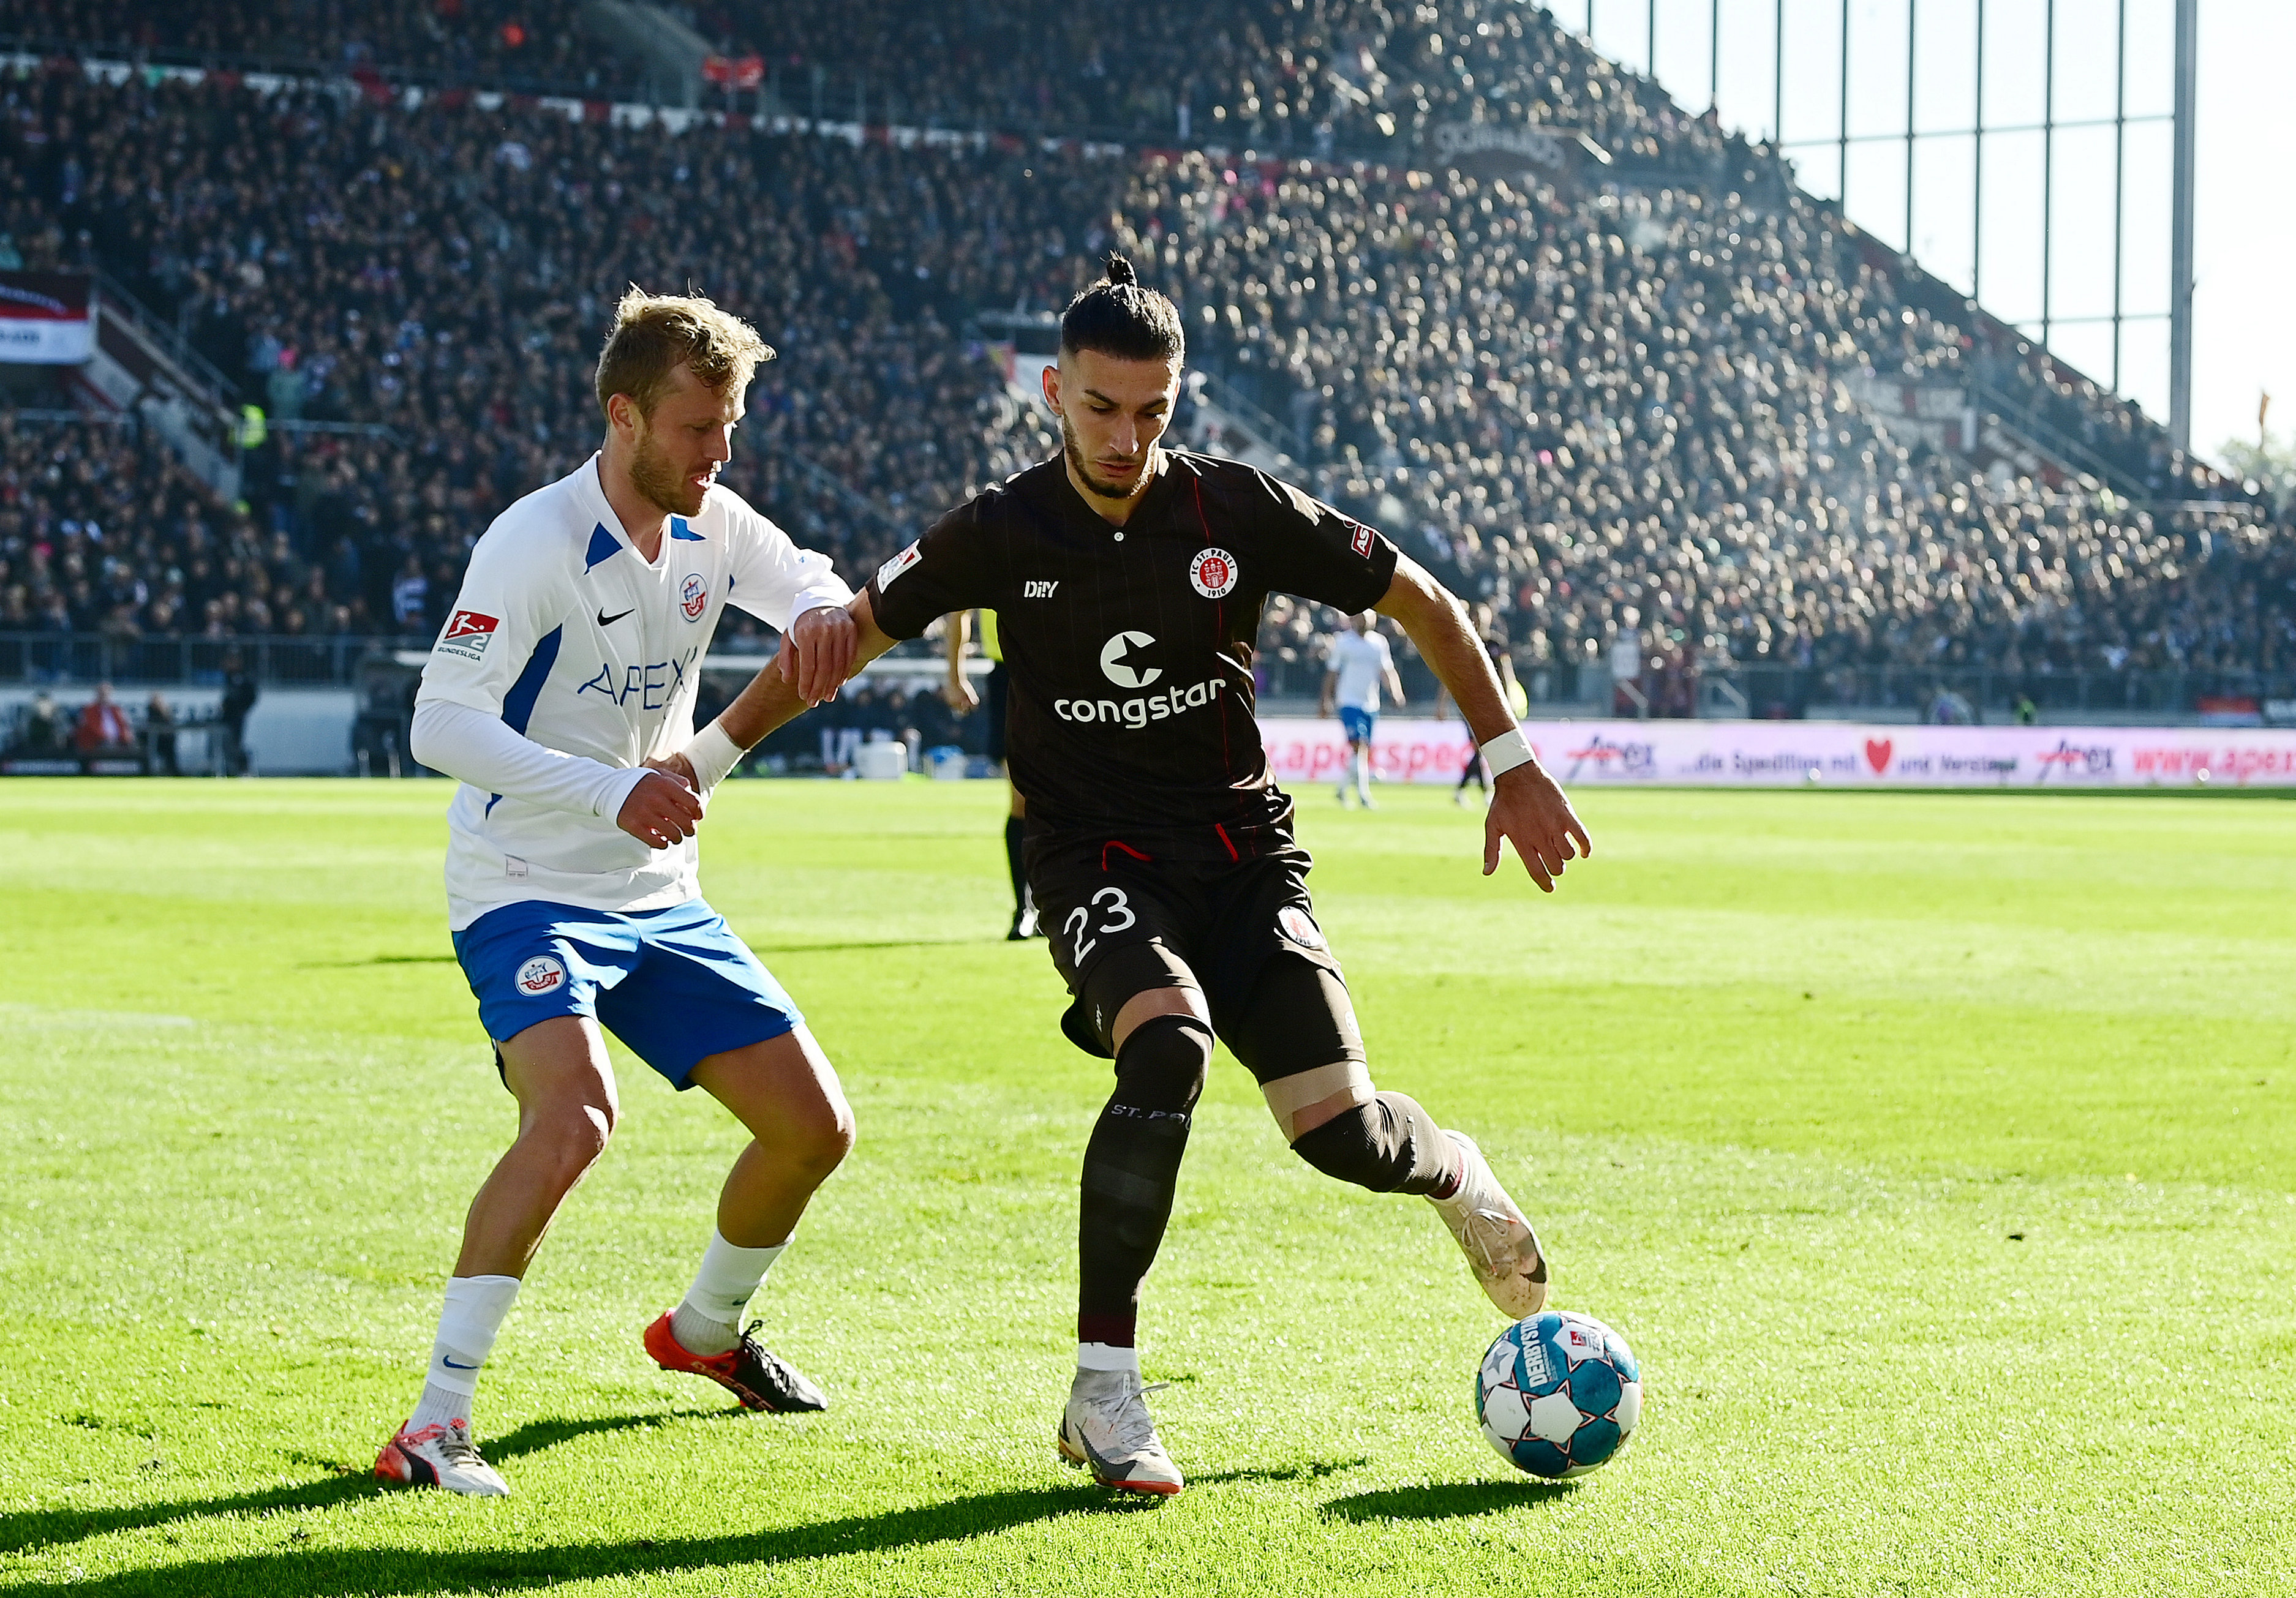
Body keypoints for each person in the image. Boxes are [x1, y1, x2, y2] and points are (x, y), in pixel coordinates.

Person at [668, 254, 1592, 1499]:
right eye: (1099, 408)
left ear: (1177, 399)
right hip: (1091, 856)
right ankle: (1103, 1388)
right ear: (1054, 392)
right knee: (1168, 1045)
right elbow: (839, 642)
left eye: (1150, 412)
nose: (1123, 436)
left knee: (1339, 1134)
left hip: (1239, 856)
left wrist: (1510, 760)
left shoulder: (1235, 509)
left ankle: (1452, 1172)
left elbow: (1423, 601)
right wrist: (710, 758)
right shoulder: (997, 531)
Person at [386, 289, 862, 1497]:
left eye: (729, 429)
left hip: (655, 891)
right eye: (699, 430)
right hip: (524, 886)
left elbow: (804, 576)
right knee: (573, 1118)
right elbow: (437, 723)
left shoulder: (707, 519)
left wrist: (815, 612)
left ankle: (704, 1334)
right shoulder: (532, 542)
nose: (720, 455)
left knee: (814, 1131)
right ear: (623, 414)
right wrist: (606, 794)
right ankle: (432, 1426)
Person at [946, 608, 1039, 938]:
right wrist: (955, 676)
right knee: (1021, 799)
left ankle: (1057, 904)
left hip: (1059, 670)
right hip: (1009, 675)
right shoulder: (987, 555)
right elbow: (959, 612)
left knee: (1065, 798)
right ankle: (1025, 908)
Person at [1434, 604, 1525, 806]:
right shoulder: (1462, 641)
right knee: (1480, 746)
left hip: (1492, 702)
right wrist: (1441, 704)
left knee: (1482, 748)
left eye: (1482, 617)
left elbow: (1506, 672)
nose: (1478, 621)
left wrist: (1510, 698)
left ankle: (1464, 791)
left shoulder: (1496, 643)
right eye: (1475, 617)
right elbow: (1450, 676)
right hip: (1468, 702)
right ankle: (1484, 793)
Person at [1319, 611, 1403, 808]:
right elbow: (1332, 672)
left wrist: (1396, 692)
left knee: (1361, 751)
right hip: (1348, 701)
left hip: (1371, 703)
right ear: (1354, 620)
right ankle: (1364, 796)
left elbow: (1387, 670)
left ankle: (1341, 789)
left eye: (1369, 617)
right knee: (1360, 745)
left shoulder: (1379, 643)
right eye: (1362, 617)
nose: (1366, 621)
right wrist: (1325, 700)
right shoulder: (1344, 642)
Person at [219, 650, 258, 776]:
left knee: (236, 744)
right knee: (227, 745)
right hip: (227, 717)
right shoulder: (229, 677)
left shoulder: (244, 678)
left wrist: (241, 708)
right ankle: (232, 770)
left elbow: (251, 696)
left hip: (236, 717)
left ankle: (243, 769)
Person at [73, 682, 135, 753]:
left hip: (120, 741)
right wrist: (106, 737)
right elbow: (89, 727)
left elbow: (125, 725)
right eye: (102, 694)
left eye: (106, 694)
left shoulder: (117, 709)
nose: (104, 696)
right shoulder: (88, 710)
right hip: (98, 742)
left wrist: (126, 736)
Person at [145, 691, 179, 776]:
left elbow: (169, 726)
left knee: (170, 750)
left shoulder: (167, 714)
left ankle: (172, 771)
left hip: (166, 741)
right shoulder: (151, 712)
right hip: (155, 741)